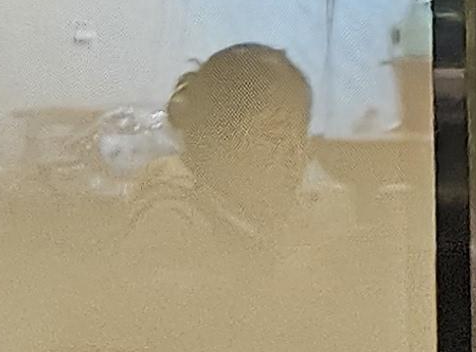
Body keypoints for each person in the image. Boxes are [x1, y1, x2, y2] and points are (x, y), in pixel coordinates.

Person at [127, 40, 341, 263]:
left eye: (302, 135)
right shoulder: (172, 227)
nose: (297, 155)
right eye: (276, 134)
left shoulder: (262, 215)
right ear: (218, 139)